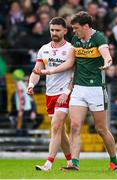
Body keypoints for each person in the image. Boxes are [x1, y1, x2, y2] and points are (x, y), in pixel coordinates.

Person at [34, 11, 117, 171]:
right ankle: (74, 163)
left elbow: (106, 53)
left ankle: (113, 160)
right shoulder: (75, 40)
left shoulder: (98, 38)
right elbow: (70, 63)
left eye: (76, 28)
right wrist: (49, 72)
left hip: (96, 89)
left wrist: (108, 62)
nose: (74, 31)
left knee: (101, 129)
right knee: (74, 126)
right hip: (78, 88)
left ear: (86, 26)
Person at [27, 17, 73, 171]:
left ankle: (48, 164)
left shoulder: (71, 49)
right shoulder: (44, 49)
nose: (54, 32)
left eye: (58, 30)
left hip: (64, 93)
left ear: (65, 31)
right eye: (52, 30)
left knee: (55, 126)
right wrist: (31, 84)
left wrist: (67, 92)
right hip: (50, 94)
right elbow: (36, 70)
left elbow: (75, 74)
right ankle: (70, 162)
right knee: (61, 132)